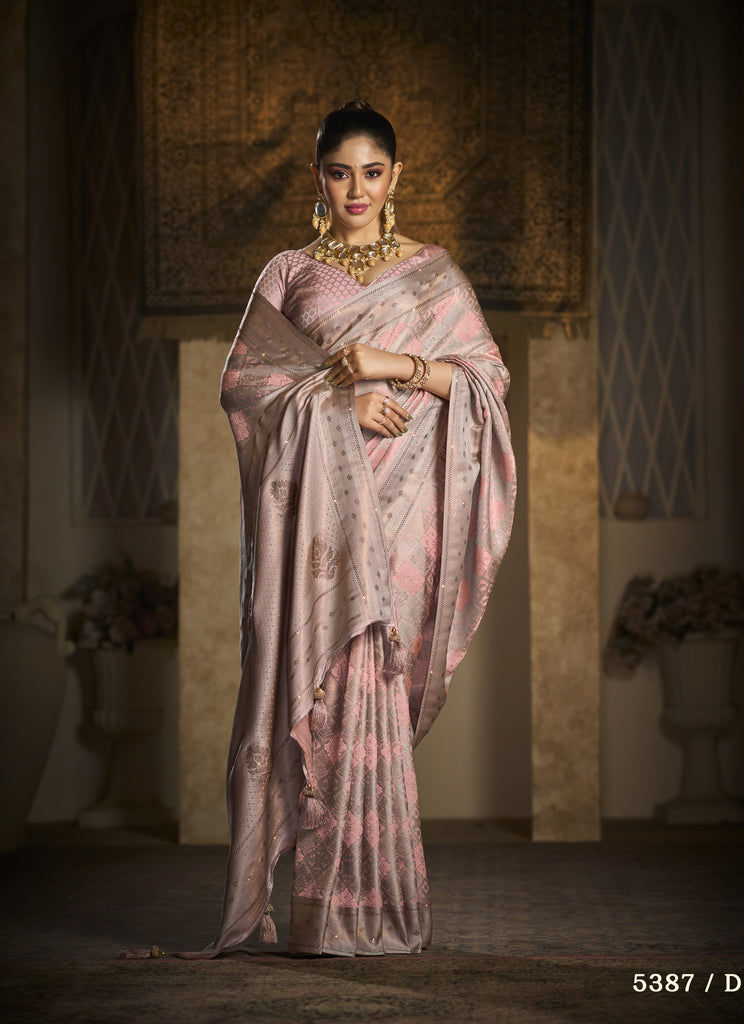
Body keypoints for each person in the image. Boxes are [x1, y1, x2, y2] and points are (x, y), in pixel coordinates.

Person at [204, 100, 515, 958]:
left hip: (401, 514)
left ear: (396, 176)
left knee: (369, 687)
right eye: (339, 172)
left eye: (372, 173)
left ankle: (372, 910)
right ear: (318, 176)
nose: (356, 189)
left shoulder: (433, 273)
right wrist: (340, 402)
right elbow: (245, 387)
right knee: (322, 688)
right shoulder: (289, 272)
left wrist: (395, 365)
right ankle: (318, 913)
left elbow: (486, 382)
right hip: (318, 519)